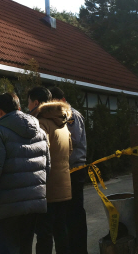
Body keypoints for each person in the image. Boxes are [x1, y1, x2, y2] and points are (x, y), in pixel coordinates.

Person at [0, 92, 49, 254]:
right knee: (25, 247)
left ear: (0, 111)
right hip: (33, 203)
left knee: (7, 248)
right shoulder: (39, 130)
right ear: (19, 107)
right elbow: (47, 166)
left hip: (6, 204)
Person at [28, 87, 72, 254]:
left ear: (36, 103)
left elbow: (40, 155)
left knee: (44, 234)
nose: (28, 107)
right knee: (61, 230)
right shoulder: (62, 122)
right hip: (64, 186)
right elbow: (70, 151)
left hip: (47, 188)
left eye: (29, 103)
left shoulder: (41, 123)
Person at [49, 86, 88, 254]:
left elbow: (72, 141)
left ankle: (79, 250)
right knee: (66, 215)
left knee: (75, 213)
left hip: (74, 169)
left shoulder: (70, 116)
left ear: (60, 100)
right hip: (66, 171)